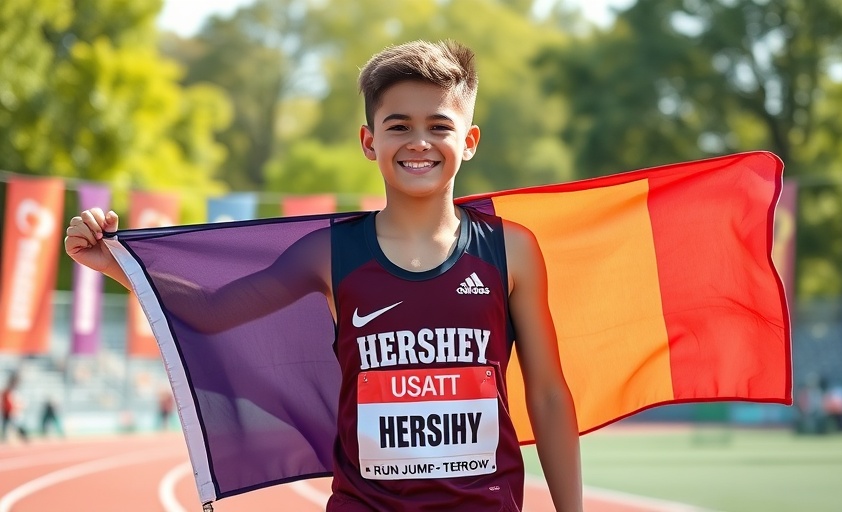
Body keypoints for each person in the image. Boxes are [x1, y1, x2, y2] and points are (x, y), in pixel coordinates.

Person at [63, 40, 584, 511]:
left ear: (469, 140)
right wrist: (116, 263)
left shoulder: (509, 249)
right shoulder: (329, 253)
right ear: (368, 140)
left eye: (439, 126)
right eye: (398, 125)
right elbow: (213, 311)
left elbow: (547, 394)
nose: (419, 142)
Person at [1, 373, 29, 443]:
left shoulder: (12, 392)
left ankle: (23, 436)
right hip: (7, 411)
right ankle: (7, 437)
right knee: (8, 425)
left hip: (12, 411)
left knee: (15, 425)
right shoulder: (7, 392)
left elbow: (15, 402)